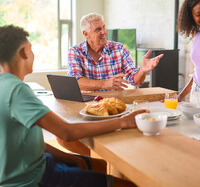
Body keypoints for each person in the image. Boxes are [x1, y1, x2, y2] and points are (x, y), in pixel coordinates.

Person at [0, 25, 146, 187]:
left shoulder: (4, 85)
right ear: (23, 52)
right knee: (130, 185)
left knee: (99, 165)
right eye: (31, 48)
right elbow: (66, 132)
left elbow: (30, 142)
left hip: (32, 164)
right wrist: (124, 122)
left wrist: (72, 159)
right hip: (32, 179)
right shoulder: (17, 90)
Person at [68, 12, 163, 91]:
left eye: (103, 27)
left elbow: (135, 81)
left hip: (114, 103)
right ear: (86, 34)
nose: (103, 32)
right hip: (87, 105)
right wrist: (104, 84)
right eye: (98, 29)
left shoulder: (120, 49)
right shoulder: (75, 52)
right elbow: (75, 82)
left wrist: (142, 71)